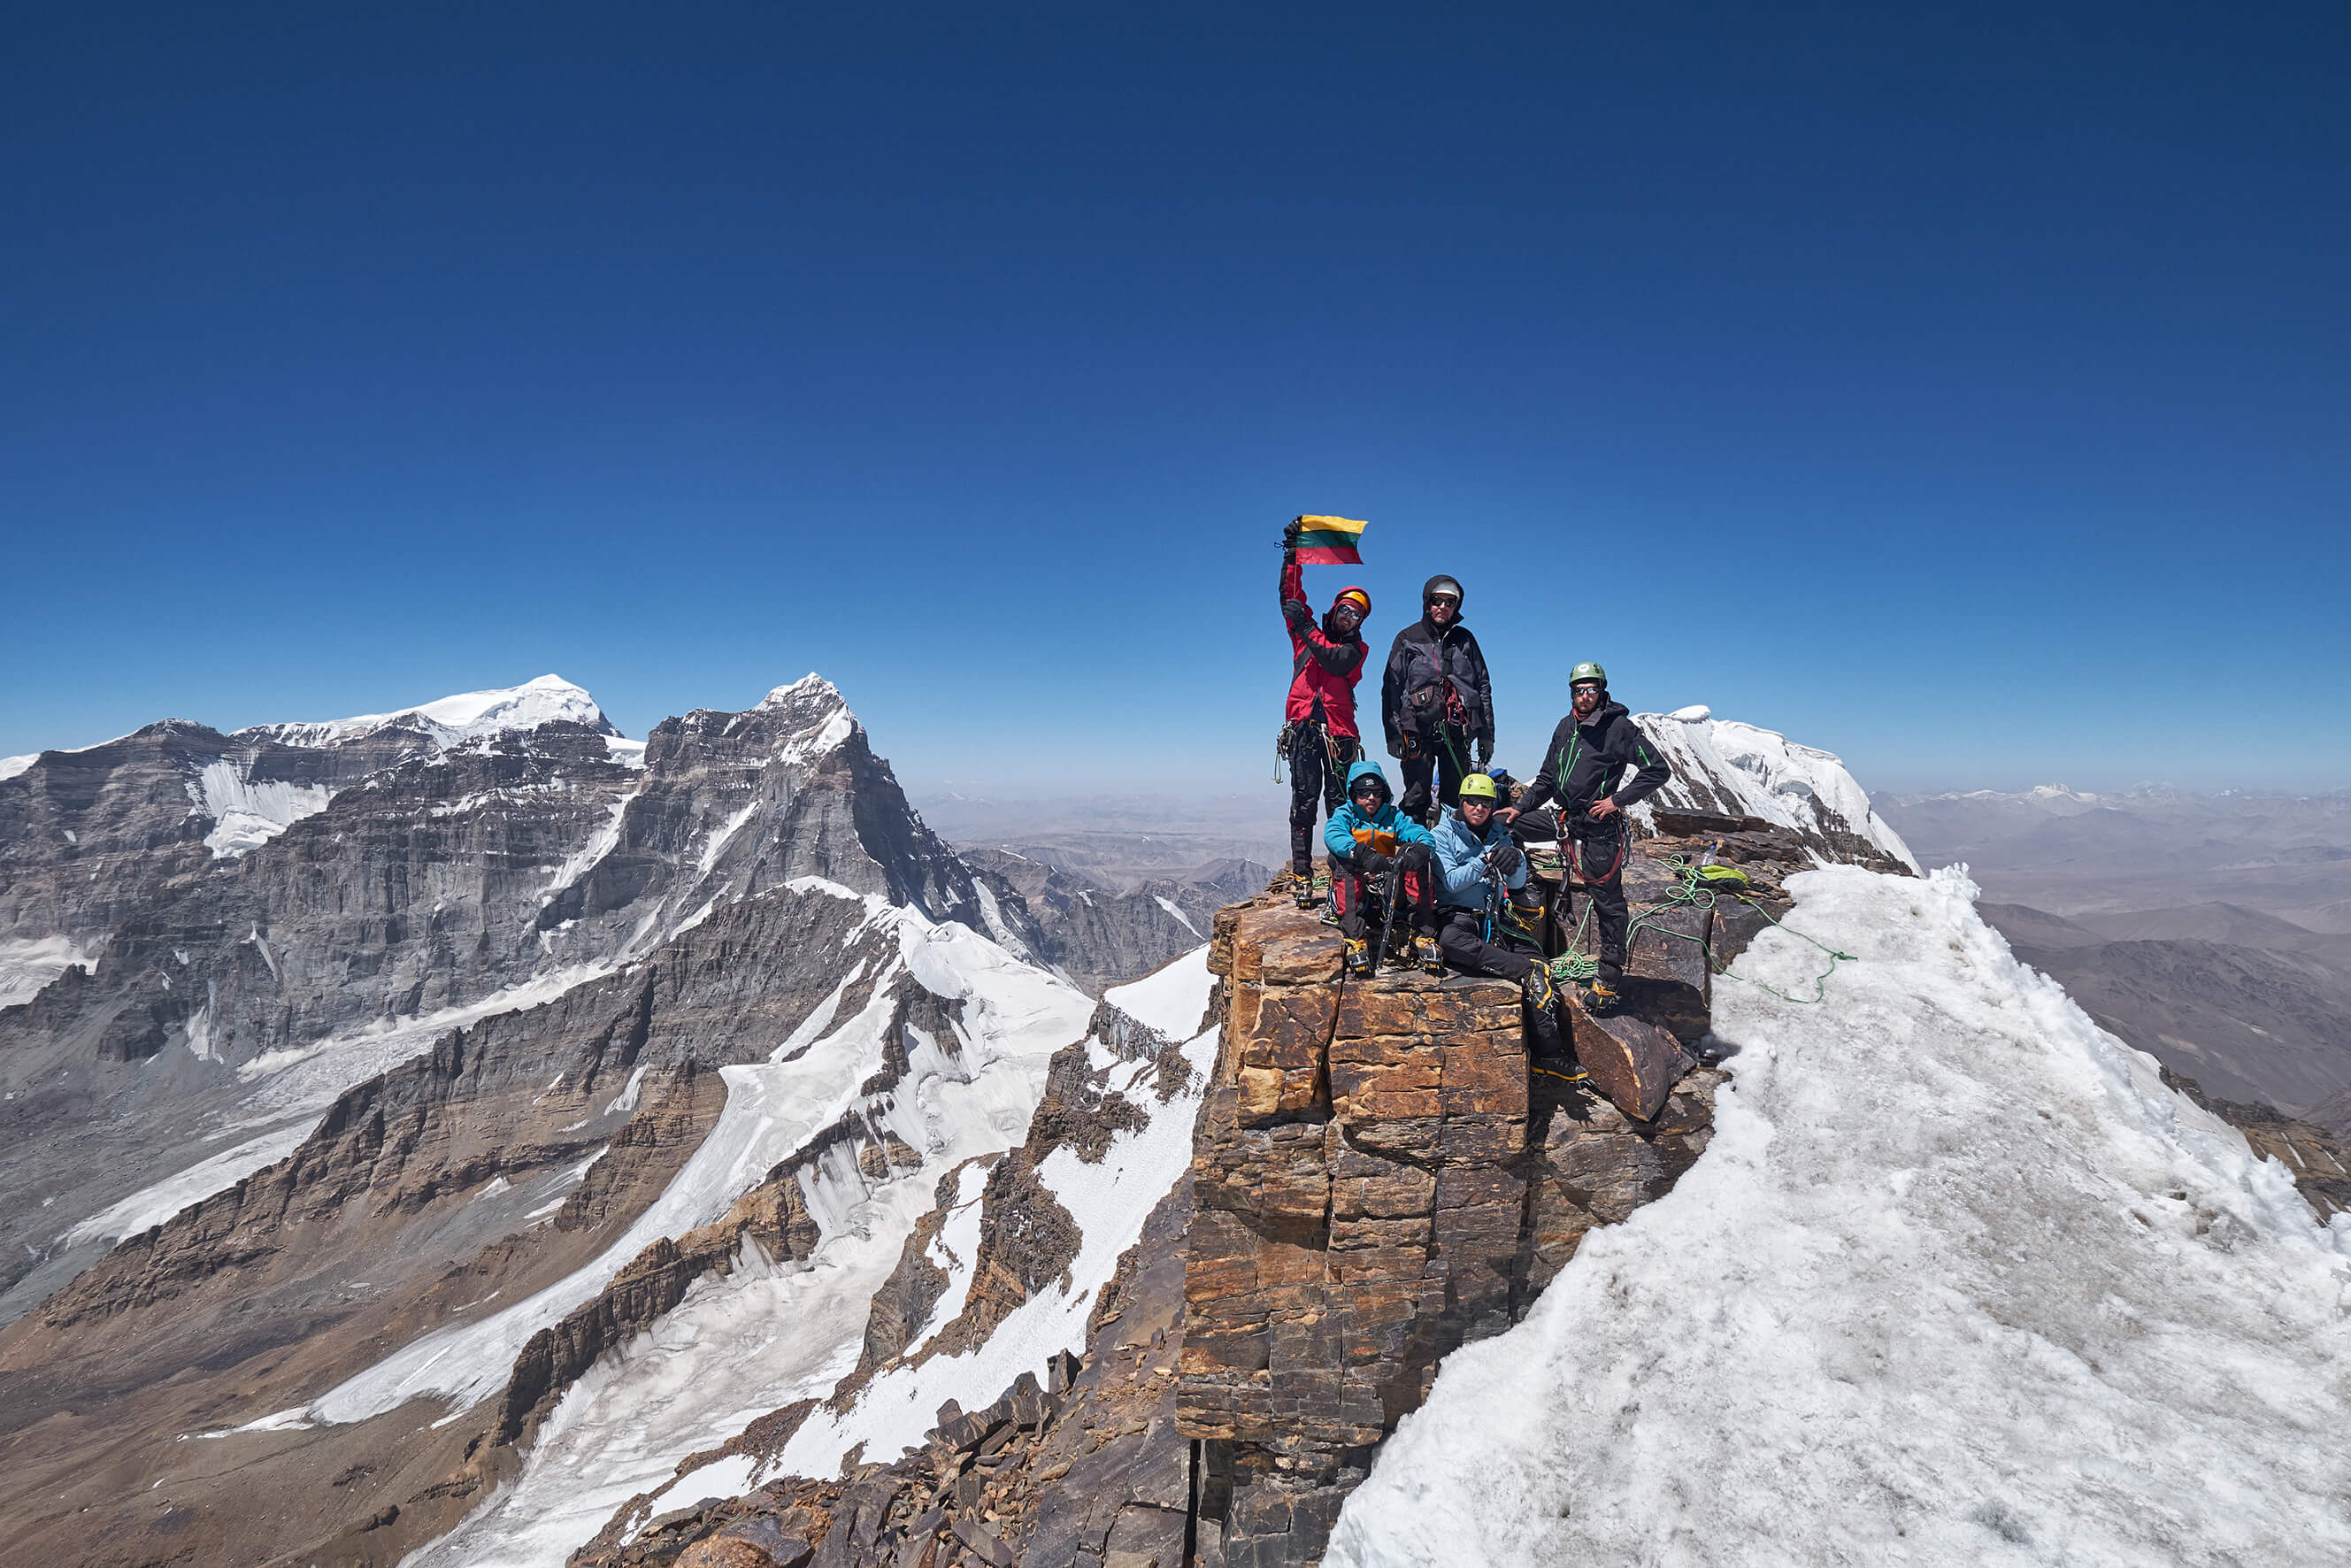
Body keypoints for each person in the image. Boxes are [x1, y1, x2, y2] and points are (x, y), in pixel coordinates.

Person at [1499, 662, 1671, 1012]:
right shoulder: (1566, 727)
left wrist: (1616, 801)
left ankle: (1609, 976)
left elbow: (1657, 770)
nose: (1585, 696)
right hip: (1566, 818)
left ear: (1602, 690)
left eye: (1592, 689)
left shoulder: (1618, 728)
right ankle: (1522, 899)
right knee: (1506, 826)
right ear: (1571, 693)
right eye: (1579, 690)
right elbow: (1547, 779)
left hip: (1598, 826)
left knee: (1608, 901)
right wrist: (1520, 808)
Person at [1431, 773, 1569, 1059]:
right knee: (1451, 941)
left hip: (1495, 916)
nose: (1479, 808)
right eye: (1472, 801)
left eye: (1486, 803)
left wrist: (1516, 860)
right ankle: (1520, 969)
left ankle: (1550, 1056)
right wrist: (1486, 859)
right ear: (1461, 802)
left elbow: (1516, 885)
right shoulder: (1441, 835)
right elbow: (1452, 882)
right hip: (1458, 915)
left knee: (1542, 965)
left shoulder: (1499, 833)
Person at [1279, 520, 1373, 908]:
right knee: (1304, 805)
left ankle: (1341, 877)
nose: (1350, 618)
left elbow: (1334, 661)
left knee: (1339, 807)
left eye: (1357, 615)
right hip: (1304, 729)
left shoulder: (1357, 651)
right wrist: (1292, 553)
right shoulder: (1304, 636)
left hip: (1339, 738)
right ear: (1335, 609)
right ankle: (1302, 875)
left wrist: (1305, 625)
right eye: (1346, 610)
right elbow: (1290, 595)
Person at [1380, 575, 1494, 826]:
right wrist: (1393, 734)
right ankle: (1415, 846)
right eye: (1436, 601)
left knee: (1455, 797)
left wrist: (1487, 734)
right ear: (1427, 602)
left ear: (1457, 606)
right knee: (1416, 795)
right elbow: (1391, 686)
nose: (1443, 607)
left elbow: (1482, 685)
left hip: (1457, 728)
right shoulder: (1407, 638)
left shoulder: (1465, 639)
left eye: (1450, 602)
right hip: (1416, 729)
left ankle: (1451, 845)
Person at [1322, 760, 1441, 977]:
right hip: (1359, 896)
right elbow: (1333, 834)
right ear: (1353, 794)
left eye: (1376, 792)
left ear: (1383, 793)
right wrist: (1362, 854)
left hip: (1389, 893)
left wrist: (1421, 850)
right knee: (1342, 859)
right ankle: (1355, 938)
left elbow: (1420, 834)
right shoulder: (1345, 815)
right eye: (1363, 792)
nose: (1371, 798)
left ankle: (1422, 933)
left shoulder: (1394, 816)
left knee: (1416, 855)